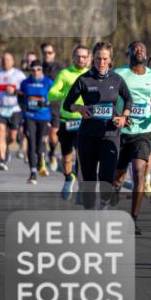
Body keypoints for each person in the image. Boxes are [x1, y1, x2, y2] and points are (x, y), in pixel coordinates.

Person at [63, 42, 133, 211]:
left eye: (105, 59)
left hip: (110, 134)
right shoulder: (84, 79)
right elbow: (67, 104)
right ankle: (89, 212)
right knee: (88, 179)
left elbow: (128, 99)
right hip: (87, 135)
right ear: (92, 59)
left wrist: (124, 116)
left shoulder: (116, 79)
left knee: (106, 176)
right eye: (98, 59)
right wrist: (79, 108)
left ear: (110, 60)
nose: (101, 62)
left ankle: (103, 206)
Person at [113, 42, 151, 234]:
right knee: (118, 177)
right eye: (135, 49)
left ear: (146, 54)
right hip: (121, 131)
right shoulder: (119, 73)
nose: (139, 51)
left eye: (142, 49)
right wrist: (117, 115)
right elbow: (110, 97)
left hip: (143, 131)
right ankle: (115, 189)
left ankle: (133, 219)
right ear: (129, 54)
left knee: (139, 172)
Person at [48, 45, 90, 199]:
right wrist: (65, 93)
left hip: (84, 121)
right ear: (73, 58)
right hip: (66, 120)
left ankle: (81, 188)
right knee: (67, 157)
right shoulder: (65, 74)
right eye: (78, 56)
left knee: (82, 155)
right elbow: (51, 94)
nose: (81, 59)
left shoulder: (91, 75)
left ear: (88, 59)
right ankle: (68, 178)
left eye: (84, 57)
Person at [0, 52, 27, 170]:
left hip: (14, 108)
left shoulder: (19, 75)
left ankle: (6, 147)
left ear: (13, 61)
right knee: (0, 131)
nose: (5, 62)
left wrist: (15, 92)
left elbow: (25, 91)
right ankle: (2, 160)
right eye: (3, 59)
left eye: (8, 59)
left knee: (13, 136)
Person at [18, 61, 53, 184]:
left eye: (38, 69)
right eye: (33, 70)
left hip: (44, 117)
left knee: (40, 145)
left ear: (42, 70)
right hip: (30, 117)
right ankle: (33, 173)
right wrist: (23, 110)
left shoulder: (48, 82)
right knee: (31, 144)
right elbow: (20, 98)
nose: (36, 72)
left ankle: (40, 161)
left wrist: (47, 104)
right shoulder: (25, 83)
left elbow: (55, 98)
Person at [40, 43, 64, 172]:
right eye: (44, 52)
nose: (47, 55)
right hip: (41, 105)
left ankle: (53, 153)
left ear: (54, 54)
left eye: (49, 52)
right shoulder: (38, 67)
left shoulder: (61, 68)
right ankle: (42, 159)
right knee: (42, 134)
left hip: (56, 104)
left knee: (54, 133)